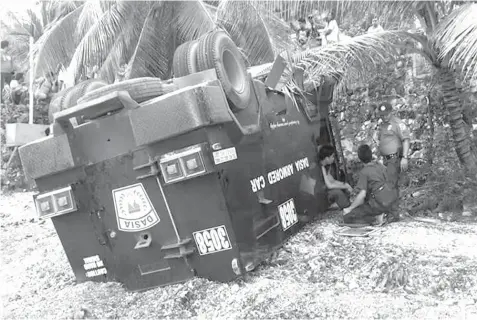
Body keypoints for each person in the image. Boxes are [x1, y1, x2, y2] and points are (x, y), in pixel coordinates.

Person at [375, 101, 411, 222]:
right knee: (387, 185)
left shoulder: (398, 124)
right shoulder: (382, 125)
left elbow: (406, 140)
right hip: (385, 159)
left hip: (394, 158)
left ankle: (392, 213)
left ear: (391, 112)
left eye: (385, 114)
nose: (383, 116)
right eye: (381, 115)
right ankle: (390, 212)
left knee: (390, 185)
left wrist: (405, 157)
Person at [343, 144, 391, 225]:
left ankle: (376, 218)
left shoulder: (364, 172)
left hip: (378, 205)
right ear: (371, 154)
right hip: (390, 201)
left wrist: (349, 208)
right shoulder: (380, 166)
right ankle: (385, 214)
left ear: (359, 158)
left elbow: (362, 196)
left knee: (347, 217)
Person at [318, 145, 353, 209]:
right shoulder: (320, 167)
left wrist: (345, 185)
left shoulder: (326, 166)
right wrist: (344, 186)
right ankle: (346, 205)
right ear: (326, 158)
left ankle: (337, 204)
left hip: (324, 191)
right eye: (332, 157)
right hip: (317, 195)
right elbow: (329, 185)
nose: (333, 159)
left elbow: (332, 181)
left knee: (344, 186)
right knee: (337, 192)